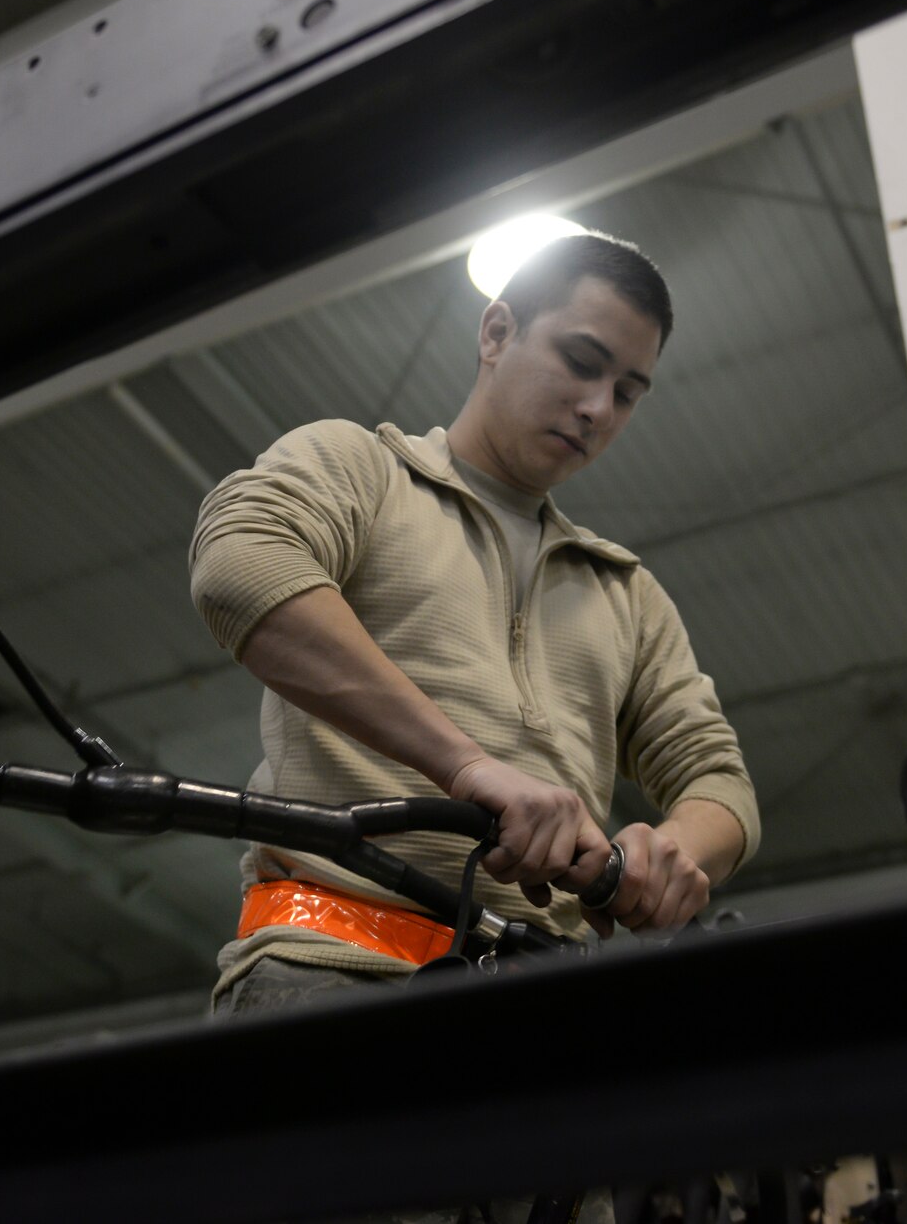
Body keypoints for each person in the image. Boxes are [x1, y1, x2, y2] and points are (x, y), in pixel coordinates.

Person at [188, 233, 760, 1018]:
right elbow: (239, 566)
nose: (598, 408)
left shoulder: (625, 591)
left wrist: (671, 852)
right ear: (496, 332)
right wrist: (465, 765)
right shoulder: (362, 470)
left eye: (628, 392)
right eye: (581, 361)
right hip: (330, 971)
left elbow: (718, 779)